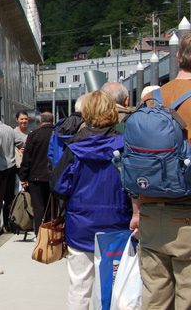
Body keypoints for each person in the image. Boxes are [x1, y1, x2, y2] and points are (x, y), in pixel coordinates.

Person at [50, 90, 132, 310]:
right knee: (118, 286)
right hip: (118, 223)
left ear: (85, 112)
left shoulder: (74, 148)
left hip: (81, 225)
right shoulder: (125, 146)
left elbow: (58, 186)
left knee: (79, 287)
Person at [130, 32, 191, 309]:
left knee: (154, 298)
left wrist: (137, 211)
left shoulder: (151, 100)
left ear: (177, 58)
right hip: (187, 216)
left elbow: (135, 160)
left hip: (151, 215)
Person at [19, 112, 55, 233]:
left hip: (36, 177)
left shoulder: (34, 135)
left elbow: (27, 158)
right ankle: (51, 231)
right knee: (52, 206)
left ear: (41, 121)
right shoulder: (58, 134)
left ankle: (39, 233)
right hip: (54, 176)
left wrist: (23, 176)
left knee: (38, 207)